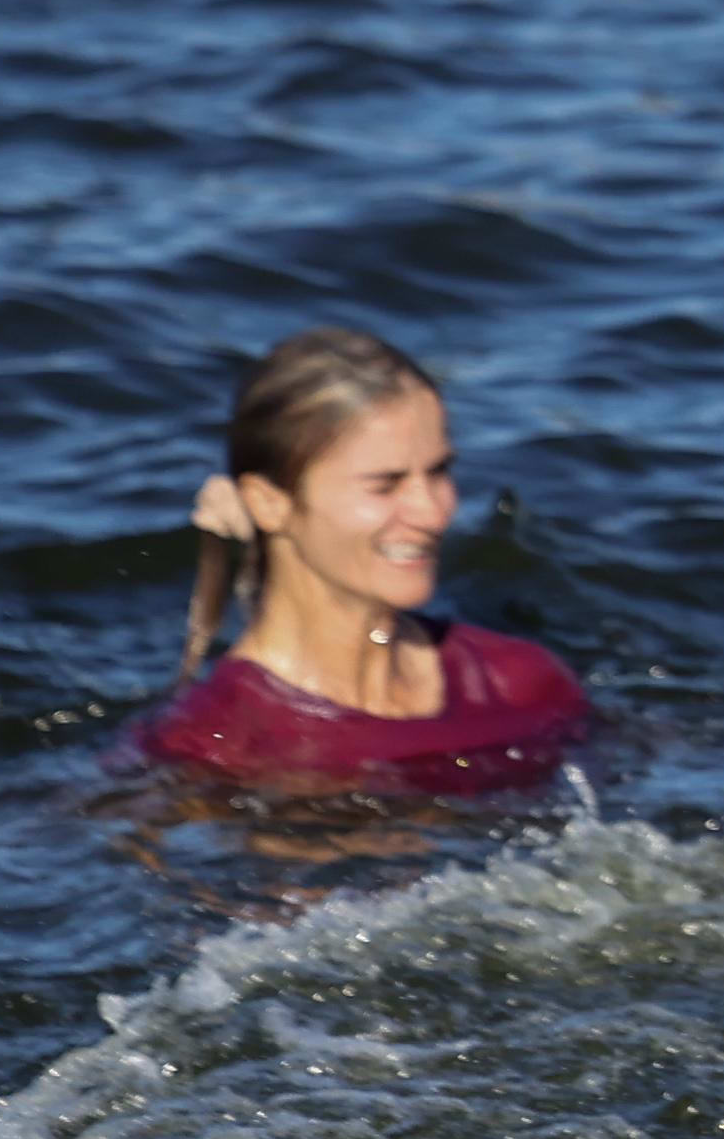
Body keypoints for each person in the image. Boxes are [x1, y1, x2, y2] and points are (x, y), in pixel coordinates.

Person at [133, 325, 589, 798]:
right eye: (385, 485)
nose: (433, 512)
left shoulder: (524, 685)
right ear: (269, 503)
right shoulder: (211, 749)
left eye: (439, 472)